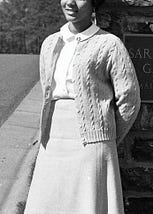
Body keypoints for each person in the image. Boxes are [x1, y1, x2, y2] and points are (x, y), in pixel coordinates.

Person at [23, 0, 141, 213]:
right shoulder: (50, 43)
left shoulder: (109, 44)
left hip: (91, 145)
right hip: (52, 141)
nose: (70, 2)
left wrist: (105, 137)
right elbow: (47, 93)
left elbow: (129, 100)